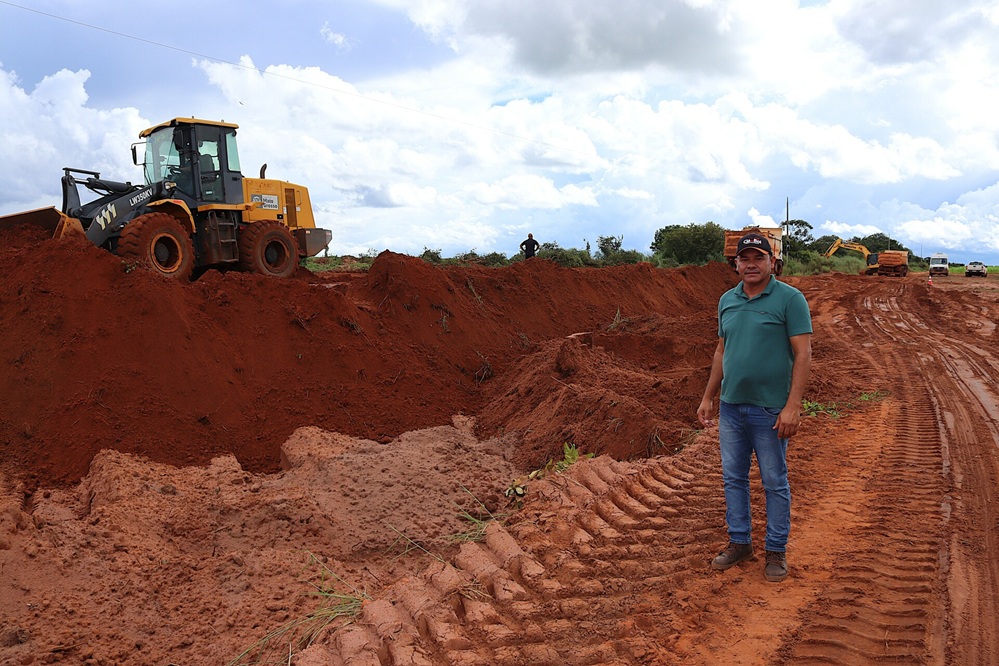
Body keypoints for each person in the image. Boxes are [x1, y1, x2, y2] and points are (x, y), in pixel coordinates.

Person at [696, 232, 812, 583]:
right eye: (744, 258)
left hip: (770, 410)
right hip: (732, 408)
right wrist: (708, 396)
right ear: (735, 264)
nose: (750, 264)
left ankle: (776, 550)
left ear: (772, 263)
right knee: (733, 478)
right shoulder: (727, 301)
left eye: (758, 258)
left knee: (774, 482)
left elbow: (803, 353)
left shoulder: (790, 300)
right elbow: (721, 351)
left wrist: (792, 406)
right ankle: (740, 542)